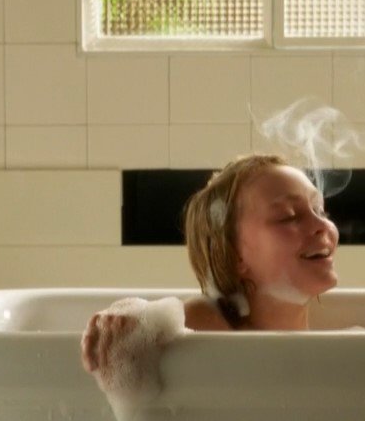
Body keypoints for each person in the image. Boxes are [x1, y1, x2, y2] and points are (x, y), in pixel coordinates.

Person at [80, 154, 339, 374]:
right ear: (235, 254)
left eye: (320, 210)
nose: (322, 225)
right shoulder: (212, 324)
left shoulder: (337, 337)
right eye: (288, 216)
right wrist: (126, 330)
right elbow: (165, 323)